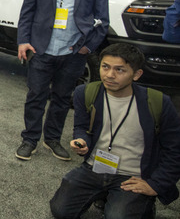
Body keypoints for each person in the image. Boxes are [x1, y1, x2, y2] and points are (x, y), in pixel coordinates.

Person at [49, 43, 180, 218]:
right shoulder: (86, 92)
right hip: (95, 167)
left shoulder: (158, 103)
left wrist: (155, 184)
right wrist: (81, 141)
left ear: (136, 74)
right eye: (105, 67)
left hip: (132, 175)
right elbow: (81, 127)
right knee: (61, 211)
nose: (110, 75)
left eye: (120, 70)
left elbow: (175, 150)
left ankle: (142, 205)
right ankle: (105, 195)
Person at [16, 0, 109, 161]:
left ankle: (53, 139)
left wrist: (87, 48)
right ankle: (30, 139)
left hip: (73, 51)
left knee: (62, 98)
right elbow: (27, 11)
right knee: (35, 96)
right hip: (40, 48)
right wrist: (23, 40)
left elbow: (102, 20)